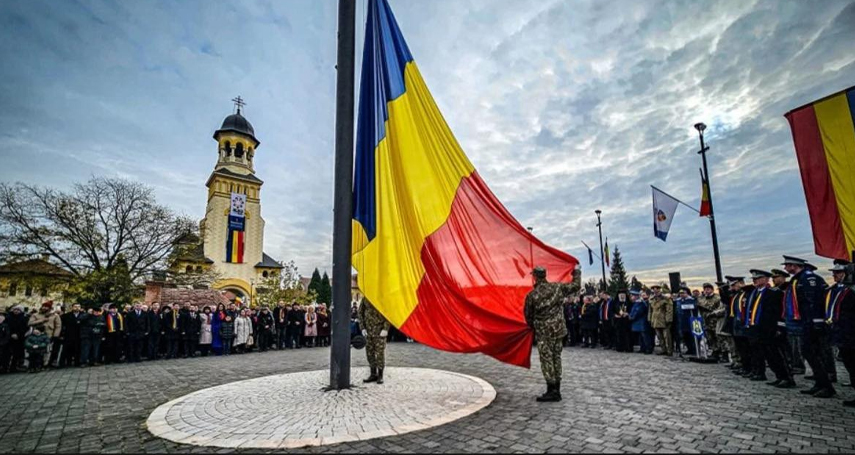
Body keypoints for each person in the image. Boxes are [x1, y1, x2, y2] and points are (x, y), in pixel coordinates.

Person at [782, 255, 835, 398]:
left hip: (813, 322)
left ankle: (826, 386)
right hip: (805, 322)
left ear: (794, 265)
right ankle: (820, 383)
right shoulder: (798, 279)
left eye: (787, 265)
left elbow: (814, 301)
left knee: (814, 352)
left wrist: (816, 321)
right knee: (809, 352)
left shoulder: (809, 278)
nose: (785, 268)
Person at [523, 267, 577, 402]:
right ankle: (557, 388)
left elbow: (528, 315)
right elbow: (576, 286)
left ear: (535, 277)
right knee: (556, 357)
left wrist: (534, 326)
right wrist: (577, 272)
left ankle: (552, 390)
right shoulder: (557, 288)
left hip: (544, 333)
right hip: (558, 331)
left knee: (546, 360)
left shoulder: (532, 295)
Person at [827, 260, 854, 407]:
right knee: (849, 363)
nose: (834, 275)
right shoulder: (840, 290)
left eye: (838, 272)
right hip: (842, 332)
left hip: (851, 332)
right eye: (834, 272)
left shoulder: (851, 291)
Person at [772, 269, 803, 375]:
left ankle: (797, 365)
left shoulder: (788, 288)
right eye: (773, 278)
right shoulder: (775, 290)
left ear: (783, 277)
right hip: (781, 321)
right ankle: (789, 364)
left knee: (794, 346)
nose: (773, 279)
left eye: (776, 277)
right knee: (784, 346)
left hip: (790, 320)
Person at [359, 296, 390, 384]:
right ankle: (373, 374)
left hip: (379, 331)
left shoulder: (383, 298)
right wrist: (362, 327)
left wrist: (385, 328)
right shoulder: (366, 298)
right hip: (368, 331)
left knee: (380, 353)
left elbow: (388, 314)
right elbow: (360, 312)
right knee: (369, 353)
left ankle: (380, 375)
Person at [729, 276, 754, 377]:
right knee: (741, 349)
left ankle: (751, 368)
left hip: (744, 325)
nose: (732, 287)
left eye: (734, 285)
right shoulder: (736, 295)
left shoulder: (747, 294)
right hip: (737, 325)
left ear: (740, 283)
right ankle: (745, 367)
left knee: (747, 349)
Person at [696, 283, 725, 361]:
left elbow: (721, 308)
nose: (706, 291)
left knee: (719, 337)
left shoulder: (717, 298)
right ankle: (715, 351)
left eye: (708, 289)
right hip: (706, 321)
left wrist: (713, 313)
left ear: (712, 289)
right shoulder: (701, 298)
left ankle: (723, 353)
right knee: (710, 337)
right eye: (705, 289)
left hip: (715, 321)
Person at [28, 302, 61, 368]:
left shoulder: (55, 315)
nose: (44, 308)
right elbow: (30, 323)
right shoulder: (35, 314)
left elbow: (58, 326)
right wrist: (42, 320)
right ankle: (35, 364)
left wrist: (55, 335)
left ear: (50, 308)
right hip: (37, 335)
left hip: (49, 334)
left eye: (46, 307)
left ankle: (45, 364)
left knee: (47, 350)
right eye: (43, 306)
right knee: (37, 350)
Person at [649, 283, 674, 356]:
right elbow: (650, 310)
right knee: (659, 337)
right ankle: (663, 350)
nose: (655, 291)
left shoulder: (666, 299)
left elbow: (669, 310)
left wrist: (669, 319)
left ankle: (669, 350)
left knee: (667, 336)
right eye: (654, 289)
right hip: (655, 320)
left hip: (664, 319)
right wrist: (650, 319)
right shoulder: (652, 299)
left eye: (657, 289)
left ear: (660, 290)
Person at [59, 304, 84, 368]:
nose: (77, 308)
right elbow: (62, 326)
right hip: (68, 335)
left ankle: (77, 362)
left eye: (78, 307)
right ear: (72, 307)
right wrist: (61, 334)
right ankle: (65, 363)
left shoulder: (83, 315)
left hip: (79, 335)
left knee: (77, 349)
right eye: (75, 307)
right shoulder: (66, 316)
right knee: (66, 349)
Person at [674, 287, 697, 357]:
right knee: (685, 336)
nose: (681, 294)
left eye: (683, 293)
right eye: (680, 293)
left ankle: (694, 349)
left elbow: (694, 308)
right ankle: (689, 348)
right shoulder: (678, 301)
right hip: (681, 321)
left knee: (691, 336)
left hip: (690, 320)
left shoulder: (691, 300)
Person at [630, 290, 652, 354]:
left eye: (632, 296)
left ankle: (648, 348)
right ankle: (642, 348)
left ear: (636, 296)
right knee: (641, 336)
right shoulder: (637, 303)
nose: (631, 297)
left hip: (642, 322)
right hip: (638, 322)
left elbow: (638, 312)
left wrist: (631, 317)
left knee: (645, 336)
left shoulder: (640, 303)